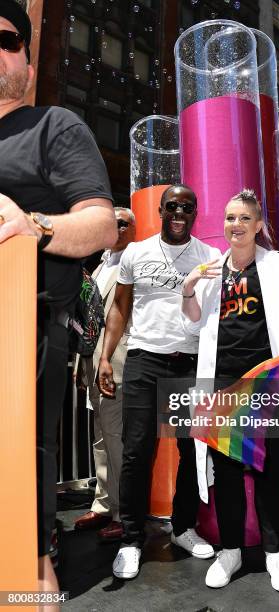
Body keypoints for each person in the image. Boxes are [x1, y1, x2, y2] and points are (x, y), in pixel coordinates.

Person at [0, 0, 117, 599]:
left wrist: (32, 227)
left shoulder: (54, 126)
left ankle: (33, 566)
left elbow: (100, 226)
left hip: (30, 320)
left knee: (22, 449)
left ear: (25, 53)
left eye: (5, 38)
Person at [182, 189, 279, 592]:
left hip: (264, 383)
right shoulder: (210, 270)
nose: (235, 225)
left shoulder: (277, 266)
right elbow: (192, 325)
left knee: (268, 469)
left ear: (258, 225)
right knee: (225, 473)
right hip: (222, 383)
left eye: (243, 218)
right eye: (229, 218)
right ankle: (231, 550)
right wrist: (188, 288)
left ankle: (275, 552)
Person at [98, 184, 220, 580]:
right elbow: (120, 308)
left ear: (196, 212)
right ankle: (132, 540)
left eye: (187, 207)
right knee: (136, 451)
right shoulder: (136, 252)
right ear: (162, 209)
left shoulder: (209, 257)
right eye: (172, 206)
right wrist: (105, 356)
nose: (179, 213)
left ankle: (183, 528)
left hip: (189, 364)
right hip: (144, 360)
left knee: (190, 451)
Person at [75, 208, 135, 542]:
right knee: (100, 436)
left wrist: (105, 359)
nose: (117, 227)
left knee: (116, 439)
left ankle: (122, 514)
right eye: (112, 222)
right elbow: (87, 321)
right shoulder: (101, 264)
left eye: (124, 222)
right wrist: (80, 364)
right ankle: (102, 504)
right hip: (91, 363)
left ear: (135, 228)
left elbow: (124, 317)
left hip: (116, 363)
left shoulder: (135, 261)